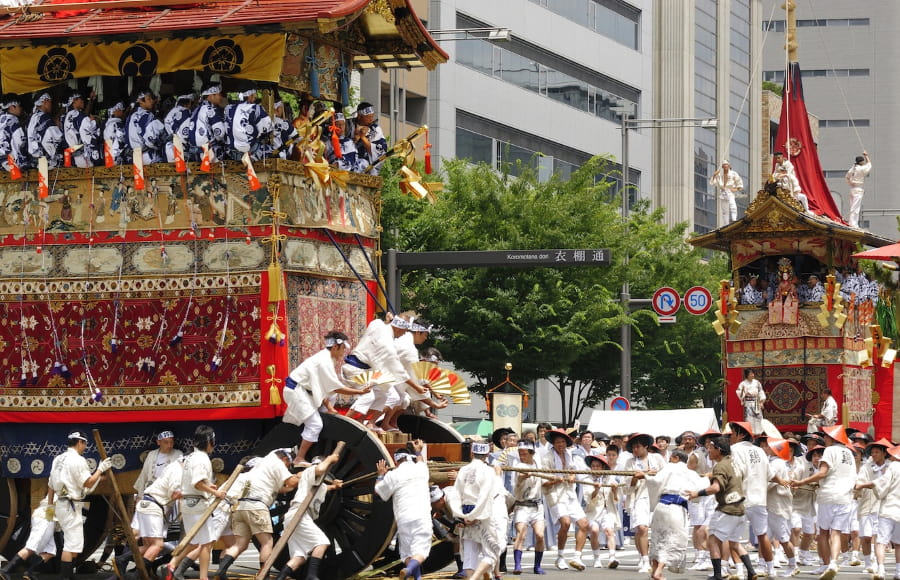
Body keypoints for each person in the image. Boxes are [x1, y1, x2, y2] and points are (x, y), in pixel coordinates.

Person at [214, 449, 298, 580]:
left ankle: (221, 571)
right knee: (267, 543)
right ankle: (264, 575)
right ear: (285, 459)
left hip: (240, 506)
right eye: (288, 465)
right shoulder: (277, 463)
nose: (287, 468)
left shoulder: (259, 467)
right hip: (257, 506)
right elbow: (291, 482)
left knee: (240, 544)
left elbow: (281, 488)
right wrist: (306, 475)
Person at [284, 331, 367, 462]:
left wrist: (328, 406)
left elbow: (323, 386)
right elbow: (335, 387)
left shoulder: (327, 358)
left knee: (331, 397)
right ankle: (299, 458)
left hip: (305, 391)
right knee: (315, 424)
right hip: (297, 392)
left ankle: (324, 417)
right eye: (343, 348)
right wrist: (359, 392)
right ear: (335, 347)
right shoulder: (324, 361)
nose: (343, 352)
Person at [684, 436, 759, 580]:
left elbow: (715, 488)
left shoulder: (720, 466)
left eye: (711, 448)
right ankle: (751, 571)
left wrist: (696, 493)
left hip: (727, 509)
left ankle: (718, 574)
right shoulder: (734, 463)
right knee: (734, 543)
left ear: (719, 450)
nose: (708, 451)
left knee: (712, 539)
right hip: (740, 508)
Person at [790, 425, 856, 580]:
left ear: (832, 438)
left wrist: (802, 482)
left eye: (826, 436)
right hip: (845, 497)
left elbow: (823, 472)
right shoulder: (850, 454)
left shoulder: (830, 451)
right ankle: (832, 562)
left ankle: (826, 565)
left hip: (828, 496)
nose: (824, 439)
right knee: (836, 533)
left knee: (823, 533)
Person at [48, 431, 113, 580]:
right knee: (71, 546)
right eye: (84, 444)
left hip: (60, 503)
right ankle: (66, 577)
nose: (85, 447)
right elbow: (87, 482)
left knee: (74, 546)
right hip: (70, 505)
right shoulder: (78, 460)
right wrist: (100, 469)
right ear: (80, 443)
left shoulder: (57, 459)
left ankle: (68, 575)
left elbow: (51, 485)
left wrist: (50, 510)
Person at [164, 425, 227, 580]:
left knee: (194, 541)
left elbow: (197, 482)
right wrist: (215, 492)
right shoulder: (200, 458)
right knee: (206, 543)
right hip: (197, 505)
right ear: (208, 441)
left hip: (189, 503)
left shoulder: (192, 456)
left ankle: (172, 564)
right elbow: (197, 483)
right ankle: (203, 577)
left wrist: (209, 487)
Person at [274, 451, 343, 580]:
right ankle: (311, 576)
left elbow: (326, 488)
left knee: (299, 557)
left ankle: (280, 578)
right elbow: (319, 469)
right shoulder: (309, 472)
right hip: (300, 514)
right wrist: (330, 459)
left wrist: (334, 486)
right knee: (322, 542)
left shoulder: (319, 485)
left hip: (296, 516)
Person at [118, 455, 184, 578]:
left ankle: (123, 559)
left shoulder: (172, 467)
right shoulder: (178, 471)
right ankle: (136, 575)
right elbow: (175, 495)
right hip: (153, 506)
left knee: (149, 546)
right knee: (157, 545)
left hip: (147, 503)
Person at [644, 449, 705, 580]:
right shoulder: (691, 473)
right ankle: (658, 571)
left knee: (657, 539)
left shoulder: (669, 468)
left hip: (661, 507)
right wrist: (708, 477)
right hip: (676, 509)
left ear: (676, 458)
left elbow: (655, 482)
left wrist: (645, 476)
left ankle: (655, 570)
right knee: (672, 540)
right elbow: (700, 490)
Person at [375, 441, 432, 580]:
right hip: (422, 515)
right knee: (421, 550)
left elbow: (378, 491)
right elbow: (420, 460)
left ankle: (415, 577)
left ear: (396, 461)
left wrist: (381, 475)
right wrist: (418, 450)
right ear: (409, 457)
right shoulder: (421, 469)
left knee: (407, 552)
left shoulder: (393, 475)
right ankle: (408, 570)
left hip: (404, 517)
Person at [728, 421, 776, 577]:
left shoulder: (734, 449)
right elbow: (770, 475)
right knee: (762, 535)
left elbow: (736, 473)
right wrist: (782, 480)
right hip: (760, 498)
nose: (731, 436)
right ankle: (770, 569)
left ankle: (740, 571)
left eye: (733, 433)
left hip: (740, 499)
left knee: (732, 537)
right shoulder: (761, 451)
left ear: (741, 434)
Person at [454, 441, 506, 580]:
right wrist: (475, 515)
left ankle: (473, 577)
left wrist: (461, 515)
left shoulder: (463, 470)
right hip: (481, 513)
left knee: (470, 554)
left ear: (472, 453)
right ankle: (474, 578)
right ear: (487, 454)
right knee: (492, 551)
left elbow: (456, 494)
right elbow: (486, 495)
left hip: (465, 512)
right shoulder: (488, 471)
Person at [539, 429, 590, 570]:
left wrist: (572, 476)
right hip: (555, 494)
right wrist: (554, 480)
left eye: (562, 442)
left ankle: (577, 557)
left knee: (584, 524)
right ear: (553, 444)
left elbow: (573, 470)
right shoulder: (547, 458)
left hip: (569, 494)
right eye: (557, 442)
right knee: (566, 523)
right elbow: (542, 481)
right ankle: (560, 556)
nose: (560, 444)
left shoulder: (569, 455)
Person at [624, 433, 666, 574]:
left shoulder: (657, 458)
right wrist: (636, 478)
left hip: (656, 496)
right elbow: (627, 487)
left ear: (646, 447)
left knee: (656, 530)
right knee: (641, 528)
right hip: (639, 497)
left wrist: (652, 473)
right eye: (633, 447)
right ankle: (644, 558)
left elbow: (666, 475)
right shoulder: (630, 463)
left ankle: (653, 557)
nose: (635, 450)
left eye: (638, 446)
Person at [0, 492, 57, 580]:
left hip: (49, 516)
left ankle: (29, 572)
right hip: (45, 516)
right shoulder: (63, 485)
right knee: (31, 547)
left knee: (51, 551)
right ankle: (5, 571)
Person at [510, 440, 547, 575]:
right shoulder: (518, 465)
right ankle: (517, 565)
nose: (522, 456)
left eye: (524, 453)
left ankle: (537, 566)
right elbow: (519, 477)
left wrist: (555, 479)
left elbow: (544, 480)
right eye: (520, 453)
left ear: (531, 453)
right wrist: (526, 475)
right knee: (521, 534)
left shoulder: (537, 463)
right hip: (522, 505)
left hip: (537, 505)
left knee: (540, 535)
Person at [855, 438, 891, 574]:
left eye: (877, 452)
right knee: (866, 537)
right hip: (865, 504)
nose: (874, 455)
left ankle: (876, 562)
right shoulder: (866, 467)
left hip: (882, 506)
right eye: (873, 452)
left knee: (877, 536)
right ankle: (867, 562)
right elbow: (859, 481)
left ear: (883, 453)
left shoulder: (889, 468)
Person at [865, 441, 900, 580]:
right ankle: (898, 571)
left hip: (889, 508)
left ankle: (881, 570)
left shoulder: (893, 467)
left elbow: (882, 486)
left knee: (881, 541)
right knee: (899, 543)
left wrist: (869, 486)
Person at [583, 452, 621, 569]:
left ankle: (612, 557)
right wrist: (595, 490)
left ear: (603, 467)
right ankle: (596, 558)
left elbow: (616, 499)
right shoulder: (587, 479)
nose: (595, 468)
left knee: (609, 531)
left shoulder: (609, 477)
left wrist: (614, 489)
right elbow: (588, 499)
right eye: (593, 466)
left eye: (598, 466)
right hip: (593, 511)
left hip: (608, 510)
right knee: (594, 531)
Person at [134, 429, 183, 495]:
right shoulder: (151, 454)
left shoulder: (178, 454)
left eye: (171, 442)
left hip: (169, 491)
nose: (169, 445)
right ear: (158, 442)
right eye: (166, 442)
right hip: (151, 489)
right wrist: (139, 496)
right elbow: (144, 475)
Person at [230, 87, 273, 161]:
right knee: (271, 149)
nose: (255, 97)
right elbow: (268, 127)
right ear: (250, 95)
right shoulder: (256, 108)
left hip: (232, 153)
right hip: (251, 151)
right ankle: (253, 159)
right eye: (254, 94)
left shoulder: (229, 108)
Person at [127, 90, 166, 165]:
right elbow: (151, 140)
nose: (152, 101)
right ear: (140, 101)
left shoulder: (130, 116)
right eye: (149, 99)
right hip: (149, 157)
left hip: (134, 159)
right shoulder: (146, 115)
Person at [190, 84, 227, 163]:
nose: (220, 97)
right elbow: (220, 133)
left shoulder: (195, 109)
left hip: (194, 152)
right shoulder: (211, 109)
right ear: (211, 95)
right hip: (208, 152)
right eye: (219, 94)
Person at [64, 93, 101, 168]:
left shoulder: (68, 115)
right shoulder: (78, 115)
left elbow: (83, 116)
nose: (83, 101)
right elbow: (89, 132)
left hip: (72, 156)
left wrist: (91, 100)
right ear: (74, 100)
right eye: (81, 99)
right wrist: (93, 122)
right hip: (83, 157)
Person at [352, 102, 388, 170]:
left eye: (372, 116)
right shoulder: (348, 125)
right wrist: (355, 139)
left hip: (366, 165)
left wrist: (362, 137)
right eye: (368, 117)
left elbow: (379, 150)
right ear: (359, 116)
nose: (371, 119)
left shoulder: (375, 129)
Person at [0, 95, 31, 173]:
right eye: (19, 106)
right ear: (11, 107)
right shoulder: (13, 120)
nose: (21, 108)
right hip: (11, 164)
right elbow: (20, 141)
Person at [709, 159, 743, 224]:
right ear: (722, 166)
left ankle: (734, 219)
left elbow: (740, 184)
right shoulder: (719, 175)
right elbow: (712, 183)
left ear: (729, 166)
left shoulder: (733, 173)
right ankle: (726, 224)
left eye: (726, 165)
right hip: (723, 193)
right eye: (724, 165)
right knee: (724, 211)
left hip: (729, 192)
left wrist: (735, 189)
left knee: (733, 206)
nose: (725, 166)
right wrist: (714, 175)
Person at [164, 94, 195, 163]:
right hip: (180, 149)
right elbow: (185, 135)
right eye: (192, 103)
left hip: (169, 148)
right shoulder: (185, 112)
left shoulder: (170, 112)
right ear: (189, 102)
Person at [845, 151, 871, 229]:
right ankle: (853, 224)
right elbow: (869, 165)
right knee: (855, 208)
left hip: (852, 188)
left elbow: (847, 177)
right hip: (858, 189)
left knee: (853, 206)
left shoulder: (852, 169)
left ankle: (852, 223)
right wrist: (866, 156)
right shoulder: (861, 169)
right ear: (861, 162)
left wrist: (851, 184)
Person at [736, 369, 766, 435]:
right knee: (750, 420)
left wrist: (761, 402)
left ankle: (759, 434)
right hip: (748, 404)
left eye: (753, 374)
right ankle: (750, 434)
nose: (753, 375)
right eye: (751, 374)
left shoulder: (757, 383)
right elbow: (739, 392)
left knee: (758, 419)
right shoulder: (743, 384)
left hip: (756, 403)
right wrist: (745, 394)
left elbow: (761, 392)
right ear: (747, 375)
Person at [103, 102, 128, 167]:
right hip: (118, 158)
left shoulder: (106, 125)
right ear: (113, 111)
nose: (122, 110)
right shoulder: (118, 124)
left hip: (108, 157)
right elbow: (122, 141)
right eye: (119, 109)